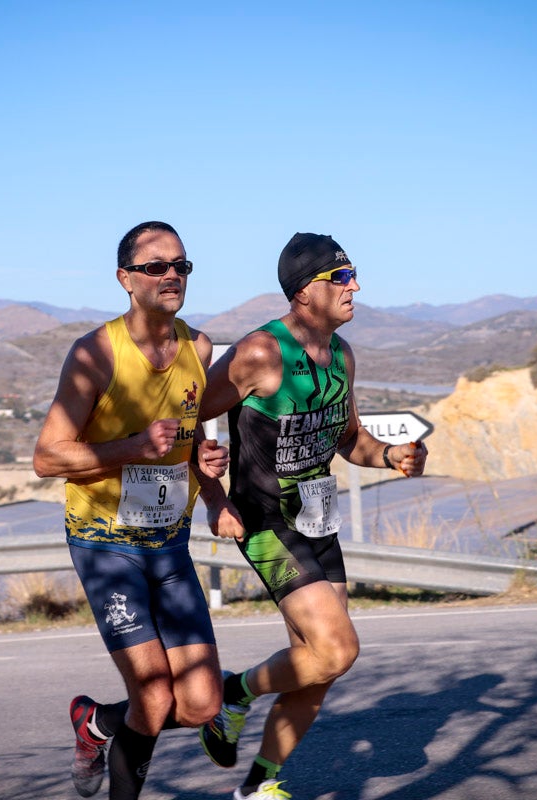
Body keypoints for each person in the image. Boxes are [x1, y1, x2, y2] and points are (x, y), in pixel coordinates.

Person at [195, 232, 428, 800]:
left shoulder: (342, 355)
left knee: (319, 666)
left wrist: (390, 455)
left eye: (353, 275)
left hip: (317, 517)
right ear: (304, 293)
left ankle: (258, 785)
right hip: (265, 520)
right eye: (341, 277)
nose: (355, 287)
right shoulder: (260, 353)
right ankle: (235, 694)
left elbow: (350, 439)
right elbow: (189, 417)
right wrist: (212, 495)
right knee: (337, 648)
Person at [32, 220, 228, 800]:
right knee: (154, 695)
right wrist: (132, 448)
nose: (172, 276)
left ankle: (95, 722)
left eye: (181, 266)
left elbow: (186, 443)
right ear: (125, 279)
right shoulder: (95, 352)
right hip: (105, 544)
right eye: (156, 267)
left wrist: (207, 473)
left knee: (200, 704)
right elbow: (46, 457)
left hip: (168, 542)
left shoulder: (200, 347)